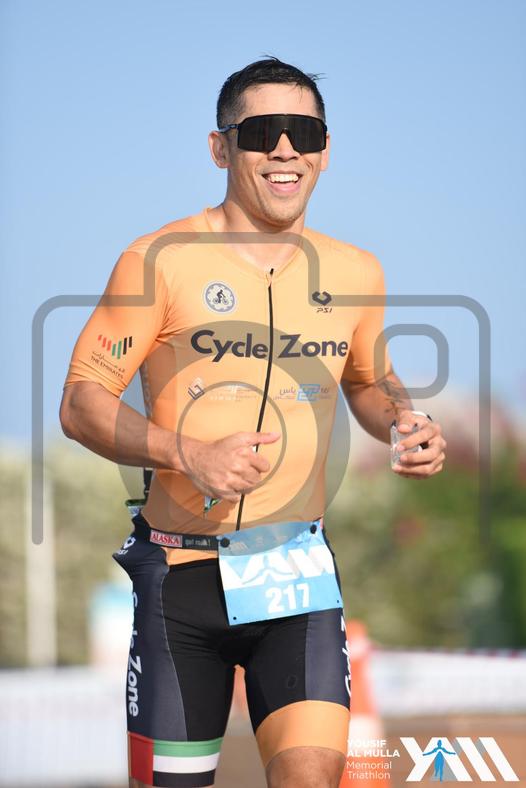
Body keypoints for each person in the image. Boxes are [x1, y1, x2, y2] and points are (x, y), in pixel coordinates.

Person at [60, 57, 447, 788]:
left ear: (326, 152)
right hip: (181, 580)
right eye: (263, 132)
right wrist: (186, 453)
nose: (285, 150)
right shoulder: (157, 260)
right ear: (221, 148)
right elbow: (81, 402)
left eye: (305, 133)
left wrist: (405, 418)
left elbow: (368, 379)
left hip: (295, 575)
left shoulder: (356, 271)